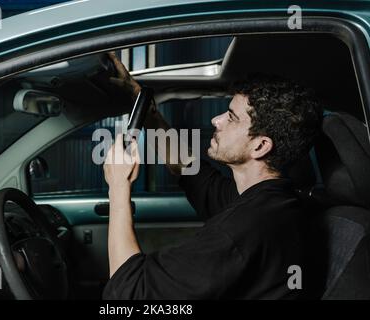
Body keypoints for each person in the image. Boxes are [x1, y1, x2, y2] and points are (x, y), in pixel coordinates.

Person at [102, 52, 323, 299]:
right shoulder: (272, 201)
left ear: (260, 146)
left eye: (231, 117)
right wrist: (149, 113)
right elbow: (190, 171)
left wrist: (119, 188)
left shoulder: (243, 229)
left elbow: (129, 295)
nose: (216, 120)